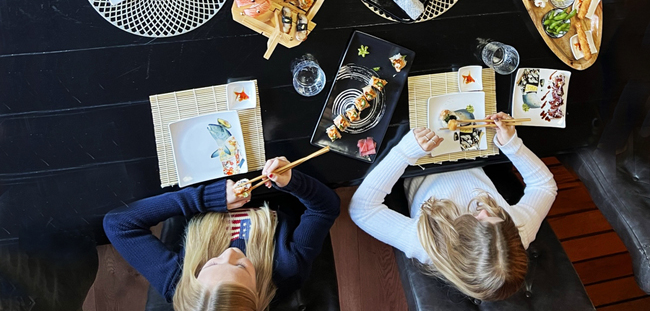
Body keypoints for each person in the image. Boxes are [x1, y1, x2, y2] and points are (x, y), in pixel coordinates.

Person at [349, 113, 557, 300]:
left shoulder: (425, 244)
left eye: (479, 219)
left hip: (419, 153)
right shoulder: (516, 231)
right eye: (497, 217)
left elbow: (362, 210)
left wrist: (404, 153)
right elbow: (545, 186)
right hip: (467, 146)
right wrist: (513, 145)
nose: (484, 211)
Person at [103, 156, 340, 309]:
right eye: (241, 267)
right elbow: (325, 209)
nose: (230, 253)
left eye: (212, 264)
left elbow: (119, 224)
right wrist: (292, 182)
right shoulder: (288, 268)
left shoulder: (180, 281)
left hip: (204, 173)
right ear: (257, 293)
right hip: (270, 177)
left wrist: (207, 198)